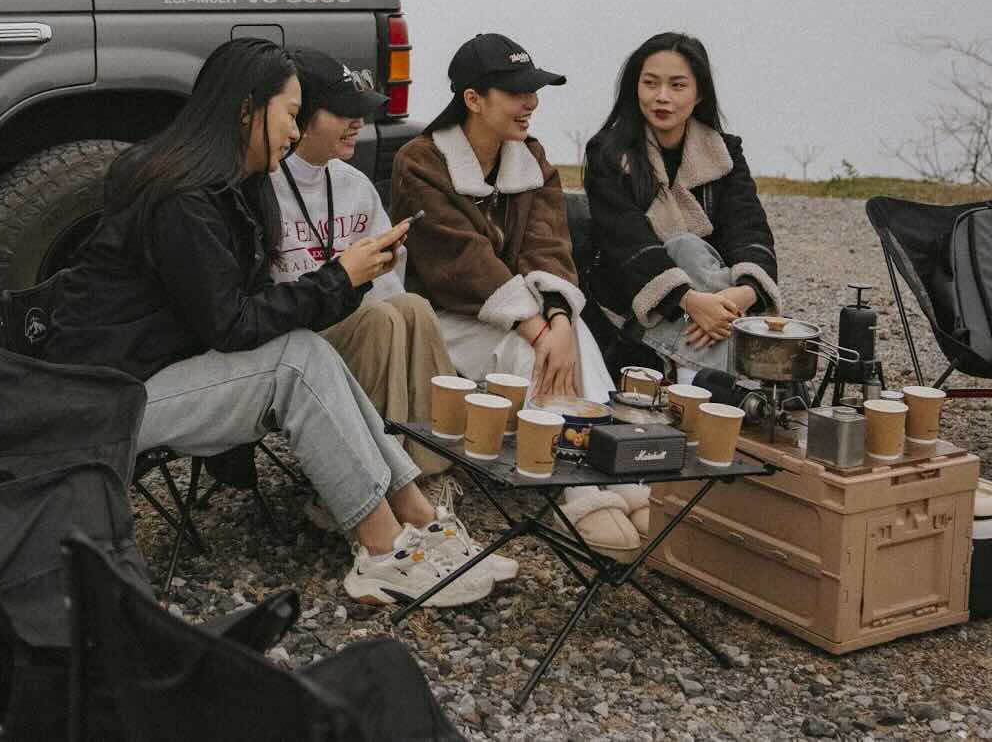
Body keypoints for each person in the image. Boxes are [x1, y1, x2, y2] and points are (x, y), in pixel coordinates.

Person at [40, 38, 496, 606]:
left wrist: (344, 280)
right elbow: (231, 325)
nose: (295, 128)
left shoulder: (234, 187)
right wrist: (341, 277)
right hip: (106, 399)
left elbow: (245, 312)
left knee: (305, 349)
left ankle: (418, 516)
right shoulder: (179, 196)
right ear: (246, 109)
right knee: (295, 360)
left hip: (160, 373)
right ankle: (382, 554)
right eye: (290, 112)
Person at [390, 33, 642, 558]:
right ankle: (584, 492)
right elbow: (460, 263)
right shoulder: (420, 161)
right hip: (440, 319)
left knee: (573, 340)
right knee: (534, 349)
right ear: (473, 99)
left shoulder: (530, 158)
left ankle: (611, 475)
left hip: (516, 316)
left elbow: (548, 244)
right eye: (516, 91)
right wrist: (539, 327)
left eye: (535, 90)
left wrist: (561, 319)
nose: (531, 102)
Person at [270, 47, 462, 482]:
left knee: (413, 308)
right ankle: (367, 481)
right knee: (381, 319)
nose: (358, 122)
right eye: (343, 112)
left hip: (356, 318)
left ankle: (430, 466)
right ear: (301, 118)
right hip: (299, 330)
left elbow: (391, 287)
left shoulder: (353, 184)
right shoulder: (267, 182)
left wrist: (380, 262)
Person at [582, 32, 781, 382]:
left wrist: (742, 295)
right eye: (650, 84)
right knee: (683, 245)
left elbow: (749, 228)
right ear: (635, 88)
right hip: (634, 296)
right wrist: (689, 302)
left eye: (677, 85)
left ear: (699, 93)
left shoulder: (724, 152)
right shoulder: (608, 153)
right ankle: (729, 374)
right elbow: (625, 239)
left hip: (715, 295)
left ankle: (696, 371)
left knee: (691, 249)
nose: (662, 97)